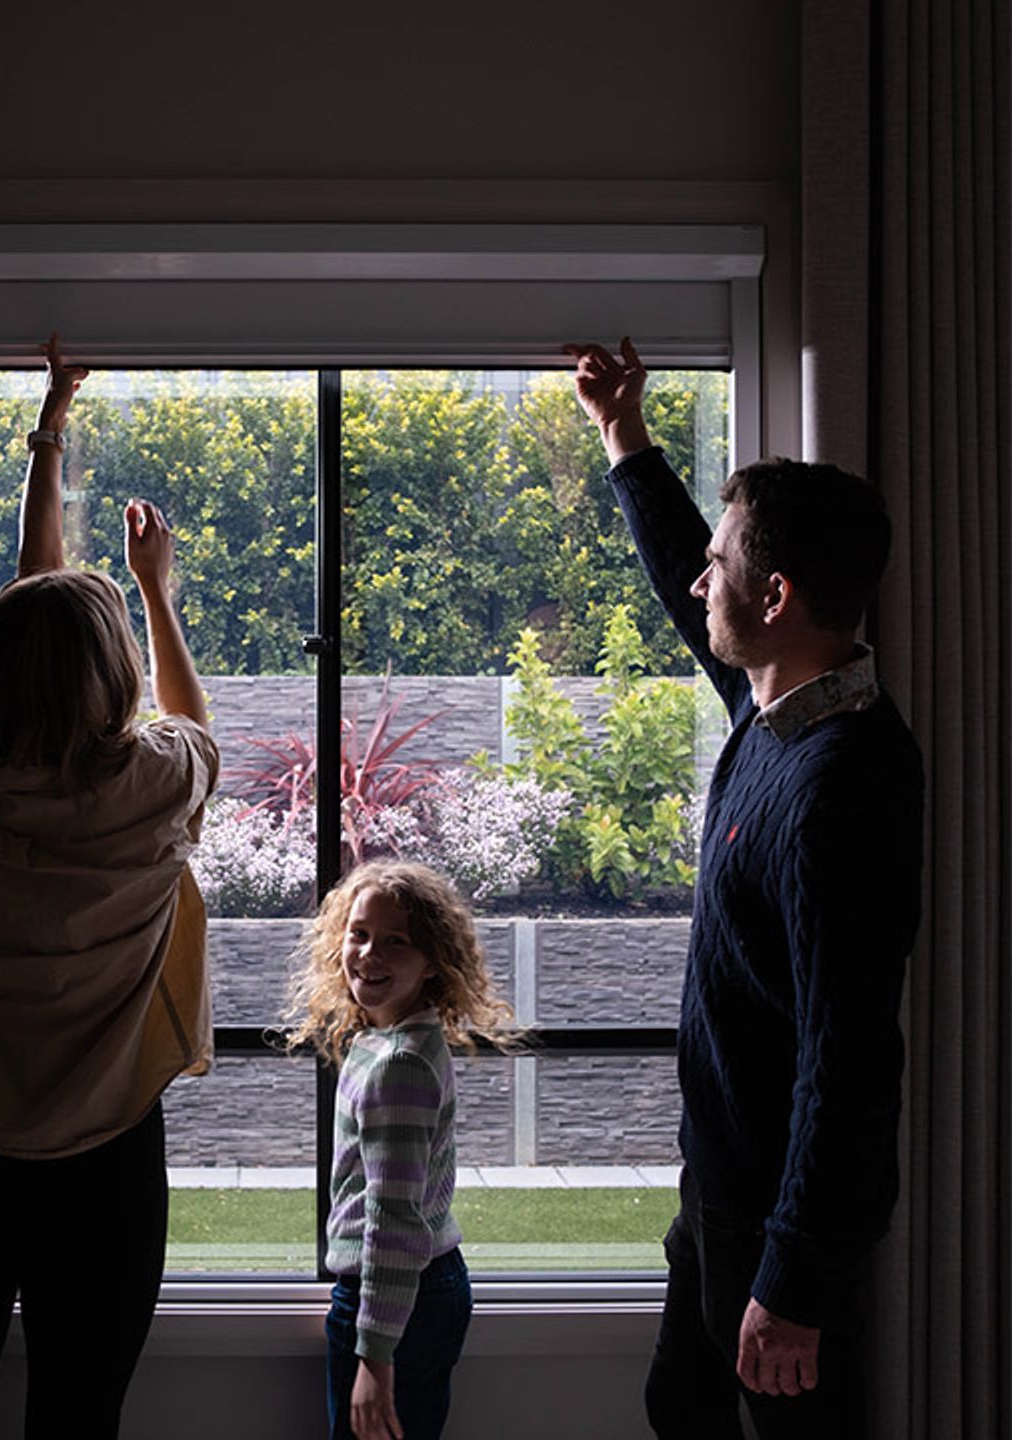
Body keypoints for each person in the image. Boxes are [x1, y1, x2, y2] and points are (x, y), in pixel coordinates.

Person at [569, 339, 924, 1439]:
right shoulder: (776, 708)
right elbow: (691, 584)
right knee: (677, 1411)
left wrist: (791, 1283)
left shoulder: (838, 785)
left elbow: (849, 1056)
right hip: (721, 1197)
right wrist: (621, 437)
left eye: (719, 564)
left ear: (774, 596)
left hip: (777, 1226)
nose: (696, 577)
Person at [0, 337, 219, 1439]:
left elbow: (32, 601)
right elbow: (193, 723)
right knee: (78, 1416)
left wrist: (50, 425)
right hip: (102, 1159)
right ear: (110, 678)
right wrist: (152, 592)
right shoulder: (150, 787)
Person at [287, 862, 514, 1440]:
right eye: (358, 934)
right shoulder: (390, 1039)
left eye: (396, 942)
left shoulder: (400, 1065)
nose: (369, 954)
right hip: (408, 1295)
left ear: (432, 960)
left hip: (398, 1303)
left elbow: (394, 1217)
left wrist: (375, 1356)